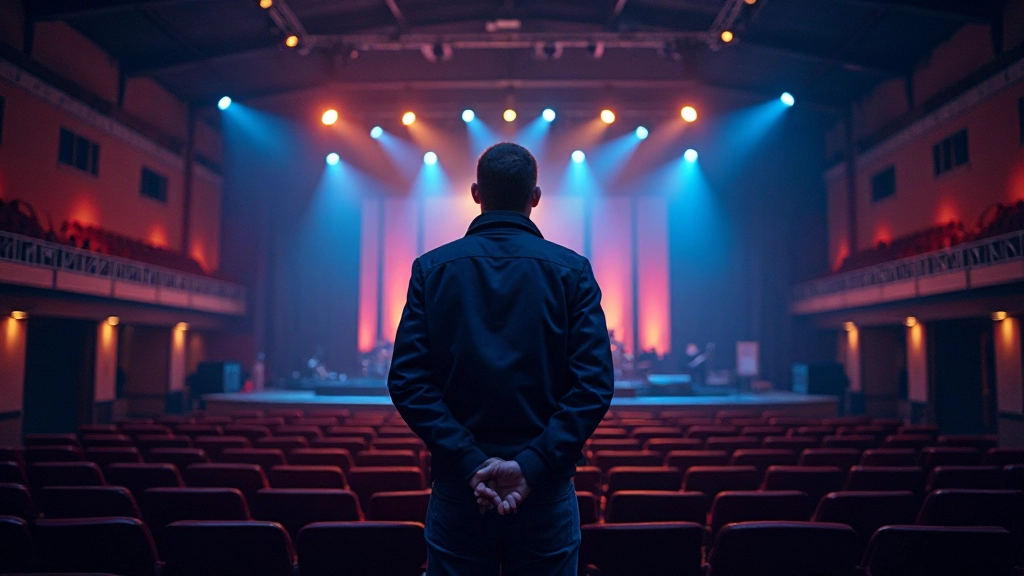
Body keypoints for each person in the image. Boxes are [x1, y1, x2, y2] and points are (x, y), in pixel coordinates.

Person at [388, 142, 614, 575]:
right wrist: (532, 465)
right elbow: (594, 385)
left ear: (476, 193)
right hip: (545, 489)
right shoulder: (573, 271)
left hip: (461, 488)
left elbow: (407, 381)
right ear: (535, 197)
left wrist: (472, 462)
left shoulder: (431, 269)